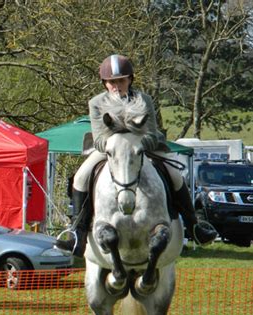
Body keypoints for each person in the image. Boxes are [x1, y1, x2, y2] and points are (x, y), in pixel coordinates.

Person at [56, 54, 217, 257]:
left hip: (144, 148)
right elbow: (98, 138)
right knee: (81, 176)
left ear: (130, 79)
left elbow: (151, 132)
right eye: (112, 82)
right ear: (104, 83)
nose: (116, 86)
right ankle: (77, 233)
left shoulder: (143, 100)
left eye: (121, 81)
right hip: (110, 151)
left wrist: (137, 144)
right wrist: (116, 145)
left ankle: (194, 227)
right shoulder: (96, 103)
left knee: (175, 174)